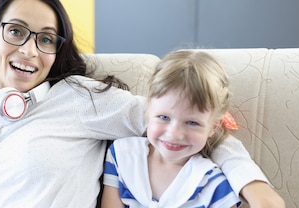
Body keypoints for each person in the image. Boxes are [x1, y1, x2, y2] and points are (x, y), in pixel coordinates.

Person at [0, 0, 285, 207]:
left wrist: (254, 186)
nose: (30, 50)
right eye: (16, 32)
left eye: (46, 39)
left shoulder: (77, 97)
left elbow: (189, 124)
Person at [102, 50, 242, 207]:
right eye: (164, 117)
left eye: (192, 123)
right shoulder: (122, 156)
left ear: (213, 128)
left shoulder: (216, 186)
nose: (174, 134)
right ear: (148, 112)